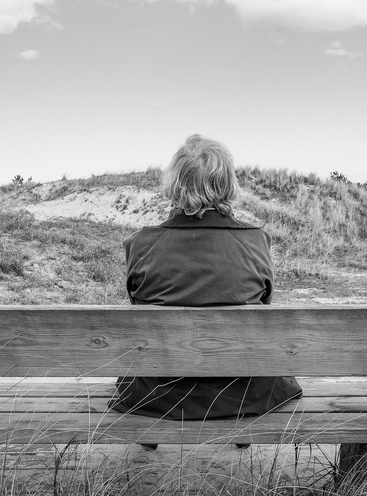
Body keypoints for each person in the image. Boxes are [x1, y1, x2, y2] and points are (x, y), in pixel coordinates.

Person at [109, 134, 302, 424]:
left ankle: (150, 439)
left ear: (175, 184)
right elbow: (263, 305)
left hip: (159, 396)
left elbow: (138, 305)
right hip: (244, 393)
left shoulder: (141, 244)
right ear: (227, 184)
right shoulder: (256, 243)